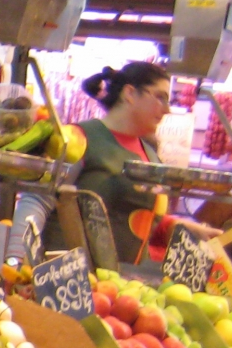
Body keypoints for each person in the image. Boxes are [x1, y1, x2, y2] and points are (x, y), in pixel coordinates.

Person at [68, 61, 170, 260]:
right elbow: (38, 202)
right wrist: (16, 260)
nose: (167, 109)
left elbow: (137, 217)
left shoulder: (151, 155)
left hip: (123, 282)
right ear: (129, 94)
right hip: (71, 277)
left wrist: (176, 227)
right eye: (160, 97)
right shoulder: (79, 137)